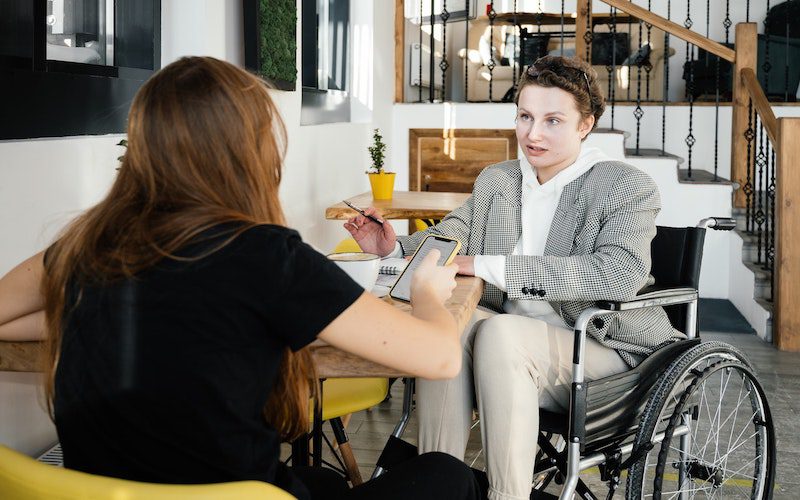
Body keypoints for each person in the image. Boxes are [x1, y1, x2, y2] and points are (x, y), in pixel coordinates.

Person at [0, 56, 482, 500]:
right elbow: (439, 358)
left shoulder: (85, 244)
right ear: (250, 151)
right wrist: (426, 294)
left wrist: (101, 311)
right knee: (447, 474)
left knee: (320, 482)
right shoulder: (269, 258)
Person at [345, 55, 684, 500]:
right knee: (444, 329)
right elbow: (453, 235)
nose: (533, 133)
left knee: (502, 333)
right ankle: (438, 489)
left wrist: (489, 266)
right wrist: (391, 247)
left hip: (603, 349)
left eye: (552, 120)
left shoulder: (625, 186)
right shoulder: (499, 180)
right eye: (525, 116)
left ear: (586, 125)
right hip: (507, 348)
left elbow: (617, 275)